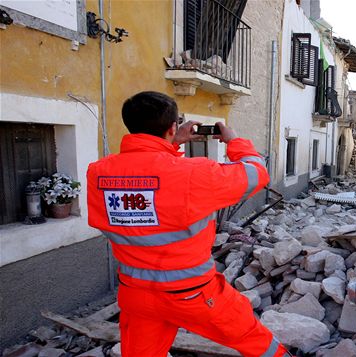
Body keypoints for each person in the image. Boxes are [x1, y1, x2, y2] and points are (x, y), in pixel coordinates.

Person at [87, 91, 288, 357]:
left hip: (137, 296)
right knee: (253, 340)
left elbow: (148, 182)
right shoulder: (193, 173)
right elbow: (256, 172)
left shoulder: (98, 172)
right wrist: (234, 141)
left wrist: (170, 144)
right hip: (193, 293)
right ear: (172, 127)